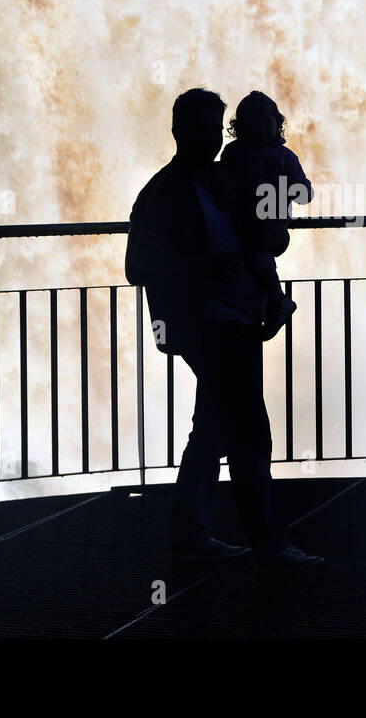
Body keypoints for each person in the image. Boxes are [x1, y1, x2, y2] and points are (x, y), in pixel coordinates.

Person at [124, 86, 324, 573]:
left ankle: (190, 535)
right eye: (201, 130)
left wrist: (272, 241)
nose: (210, 139)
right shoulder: (164, 192)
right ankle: (269, 546)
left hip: (237, 319)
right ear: (177, 131)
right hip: (207, 325)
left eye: (214, 130)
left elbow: (264, 232)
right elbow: (137, 266)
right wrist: (204, 269)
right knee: (250, 433)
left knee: (212, 430)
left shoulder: (224, 178)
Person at [219, 90, 313, 341]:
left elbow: (305, 192)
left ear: (277, 124)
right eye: (253, 124)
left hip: (270, 226)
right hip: (240, 223)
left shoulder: (285, 158)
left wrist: (286, 191)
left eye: (266, 123)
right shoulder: (233, 154)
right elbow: (221, 185)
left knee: (255, 250)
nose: (261, 129)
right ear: (241, 128)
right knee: (248, 254)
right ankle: (272, 303)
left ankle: (278, 299)